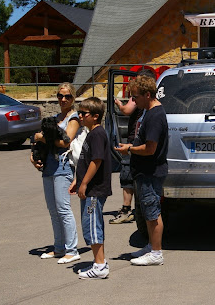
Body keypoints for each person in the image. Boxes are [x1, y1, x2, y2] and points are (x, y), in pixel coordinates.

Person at [115, 75, 169, 266]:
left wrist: (129, 149)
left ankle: (156, 253)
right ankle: (150, 247)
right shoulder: (149, 111)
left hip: (150, 172)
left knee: (152, 212)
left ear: (147, 95)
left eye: (136, 97)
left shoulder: (154, 116)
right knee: (147, 211)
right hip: (145, 171)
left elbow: (150, 148)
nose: (134, 101)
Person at [30, 82, 80, 264]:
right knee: (53, 210)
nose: (63, 99)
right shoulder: (54, 117)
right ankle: (59, 247)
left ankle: (72, 249)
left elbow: (65, 142)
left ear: (73, 98)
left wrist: (41, 137)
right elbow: (44, 141)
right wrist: (33, 155)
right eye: (60, 96)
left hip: (63, 167)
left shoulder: (73, 118)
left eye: (67, 96)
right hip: (49, 166)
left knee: (63, 209)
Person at [69, 97, 112, 279]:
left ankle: (100, 265)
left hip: (94, 190)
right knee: (91, 225)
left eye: (83, 113)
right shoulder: (90, 132)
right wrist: (77, 181)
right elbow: (85, 162)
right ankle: (99, 261)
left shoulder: (97, 134)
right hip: (89, 188)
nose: (80, 116)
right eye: (79, 112)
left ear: (95, 116)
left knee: (92, 226)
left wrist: (85, 183)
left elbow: (96, 161)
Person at [110, 68, 157, 224]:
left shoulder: (140, 98)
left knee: (127, 175)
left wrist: (118, 104)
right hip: (143, 141)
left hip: (134, 140)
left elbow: (127, 110)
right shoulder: (156, 99)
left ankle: (127, 209)